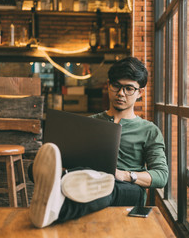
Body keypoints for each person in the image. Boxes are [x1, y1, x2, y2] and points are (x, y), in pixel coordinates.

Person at [29, 57, 169, 228]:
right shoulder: (91, 122)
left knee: (106, 187)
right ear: (108, 85)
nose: (121, 93)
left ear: (140, 93)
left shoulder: (149, 130)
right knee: (35, 169)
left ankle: (55, 207)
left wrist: (124, 175)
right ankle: (62, 179)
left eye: (129, 88)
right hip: (88, 176)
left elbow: (161, 176)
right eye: (116, 86)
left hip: (127, 188)